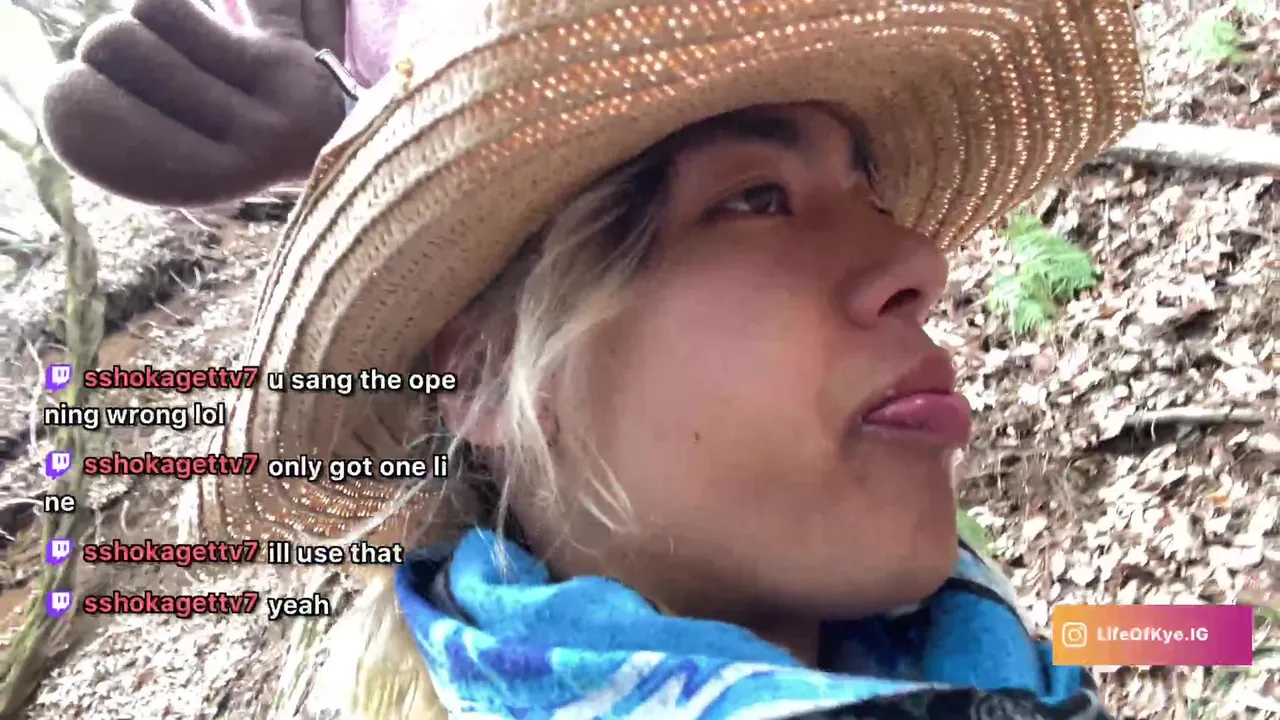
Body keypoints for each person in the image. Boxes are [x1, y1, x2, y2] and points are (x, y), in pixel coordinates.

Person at [154, 0, 1142, 717]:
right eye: (755, 198)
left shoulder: (979, 650)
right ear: (487, 375)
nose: (920, 263)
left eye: (873, 199)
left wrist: (1212, 629)